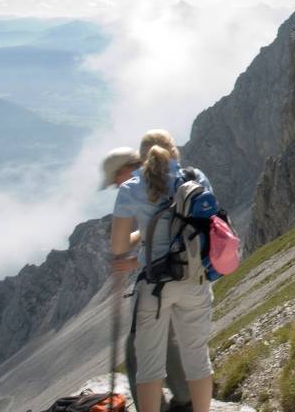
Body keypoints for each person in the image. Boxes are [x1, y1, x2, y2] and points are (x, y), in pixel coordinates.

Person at [111, 130, 214, 412]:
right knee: (197, 359)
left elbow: (119, 245)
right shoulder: (196, 177)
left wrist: (141, 234)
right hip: (196, 280)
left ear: (142, 159)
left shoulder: (131, 189)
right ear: (175, 153)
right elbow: (208, 224)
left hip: (155, 286)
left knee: (149, 366)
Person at [101, 148, 192, 412]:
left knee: (137, 351)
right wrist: (131, 244)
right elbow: (157, 230)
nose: (116, 185)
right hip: (185, 279)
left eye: (115, 179)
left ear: (125, 170)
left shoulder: (136, 189)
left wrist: (127, 260)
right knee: (167, 342)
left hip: (162, 281)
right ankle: (185, 399)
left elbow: (163, 245)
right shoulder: (166, 180)